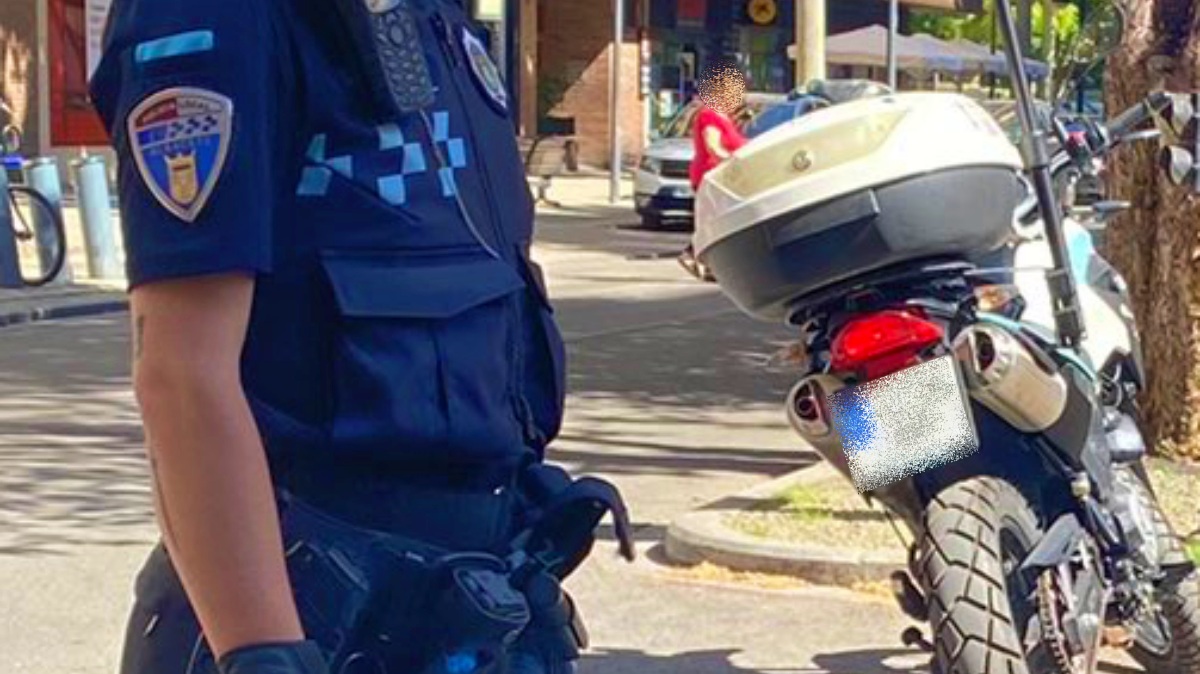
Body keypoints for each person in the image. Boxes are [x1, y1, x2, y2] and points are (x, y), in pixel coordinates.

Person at [89, 2, 630, 673]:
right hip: (309, 621)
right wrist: (265, 655)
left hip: (463, 614)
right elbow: (181, 379)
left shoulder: (438, 24)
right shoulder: (228, 17)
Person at [679, 65, 747, 281]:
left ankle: (705, 262)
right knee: (716, 219)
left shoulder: (725, 117)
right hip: (712, 176)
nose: (739, 96)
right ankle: (694, 255)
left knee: (718, 219)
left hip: (721, 177)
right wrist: (730, 161)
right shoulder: (710, 115)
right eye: (735, 91)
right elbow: (712, 145)